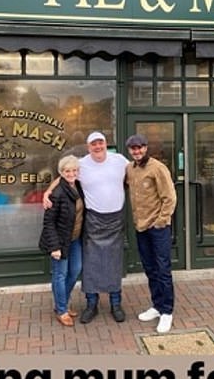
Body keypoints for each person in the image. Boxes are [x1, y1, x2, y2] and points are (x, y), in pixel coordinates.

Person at [44, 131, 129, 324]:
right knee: (90, 264)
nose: (98, 147)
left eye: (101, 143)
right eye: (94, 144)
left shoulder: (120, 160)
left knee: (114, 263)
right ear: (88, 146)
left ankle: (116, 303)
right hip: (93, 220)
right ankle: (92, 304)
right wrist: (47, 192)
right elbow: (63, 176)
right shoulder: (81, 164)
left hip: (116, 220)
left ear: (106, 144)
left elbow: (136, 176)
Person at [125, 133, 177, 334]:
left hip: (158, 228)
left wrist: (161, 221)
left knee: (163, 268)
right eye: (133, 148)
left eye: (140, 147)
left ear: (146, 148)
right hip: (141, 227)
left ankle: (167, 311)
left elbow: (170, 197)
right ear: (129, 150)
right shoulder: (130, 169)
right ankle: (157, 305)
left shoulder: (157, 168)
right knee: (150, 268)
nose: (137, 151)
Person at [38, 155, 85, 327]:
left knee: (75, 270)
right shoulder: (57, 194)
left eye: (74, 170)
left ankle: (61, 303)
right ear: (61, 173)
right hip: (60, 241)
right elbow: (48, 222)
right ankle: (62, 310)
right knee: (60, 275)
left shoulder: (78, 186)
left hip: (75, 239)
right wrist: (54, 247)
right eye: (67, 171)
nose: (71, 173)